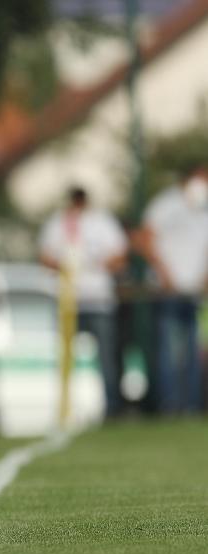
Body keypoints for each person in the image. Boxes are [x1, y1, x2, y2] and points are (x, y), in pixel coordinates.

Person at [39, 186, 127, 416]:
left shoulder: (102, 223)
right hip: (67, 302)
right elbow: (45, 257)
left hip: (98, 300)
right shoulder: (58, 223)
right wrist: (65, 266)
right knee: (65, 359)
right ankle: (65, 407)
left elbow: (119, 257)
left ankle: (112, 408)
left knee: (107, 358)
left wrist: (94, 264)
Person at [140, 166, 208, 414]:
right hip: (168, 291)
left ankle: (191, 404)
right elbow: (145, 238)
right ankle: (169, 404)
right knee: (169, 349)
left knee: (193, 350)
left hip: (194, 292)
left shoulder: (203, 209)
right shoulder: (165, 205)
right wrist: (164, 274)